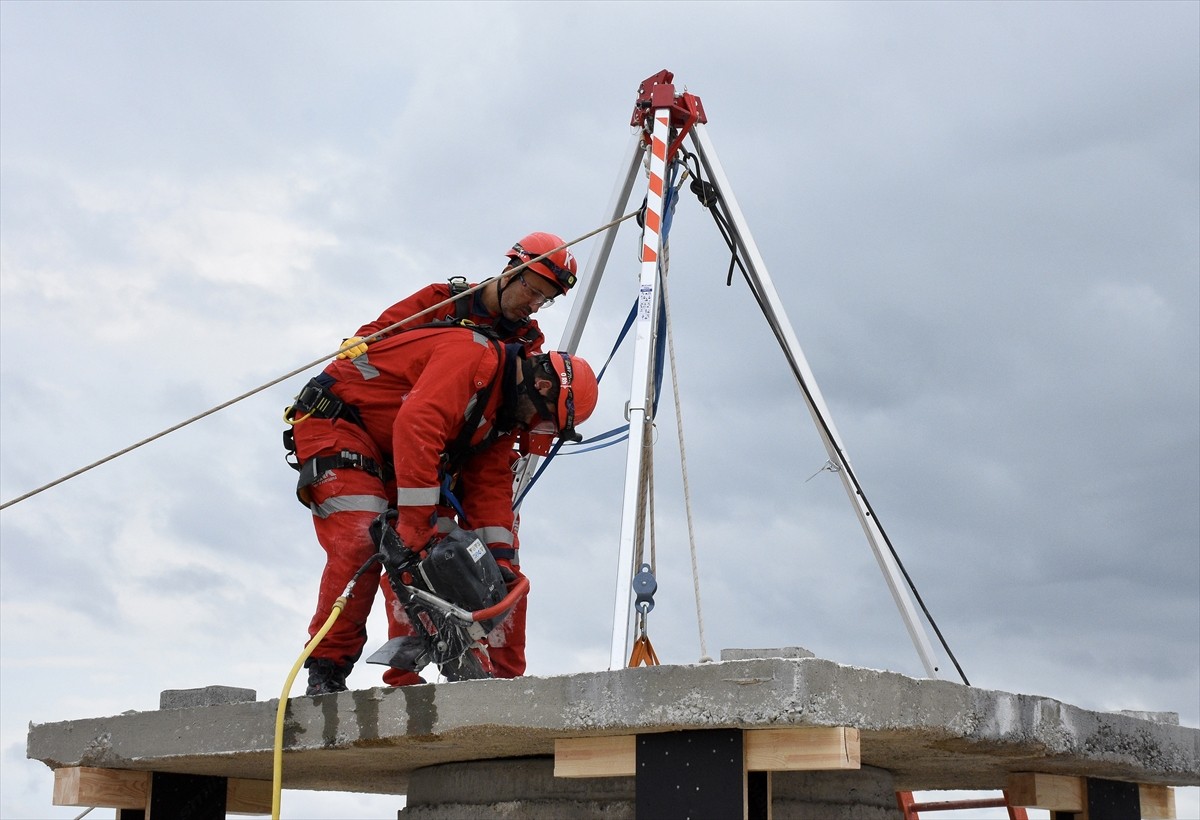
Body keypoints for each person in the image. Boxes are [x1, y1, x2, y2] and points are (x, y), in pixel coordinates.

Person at [286, 323, 598, 695]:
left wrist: (499, 564)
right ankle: (326, 669)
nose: (535, 428)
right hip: (339, 424)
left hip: (397, 456)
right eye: (544, 421)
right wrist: (415, 526)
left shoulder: (500, 419)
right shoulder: (473, 357)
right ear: (543, 388)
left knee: (452, 554)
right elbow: (418, 426)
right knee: (361, 542)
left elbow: (490, 491)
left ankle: (459, 682)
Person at [327, 231, 579, 688]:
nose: (534, 305)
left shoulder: (524, 351)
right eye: (532, 291)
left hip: (437, 447)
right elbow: (379, 343)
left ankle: (494, 678)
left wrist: (498, 557)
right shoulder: (443, 304)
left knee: (468, 554)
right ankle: (359, 671)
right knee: (378, 541)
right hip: (365, 426)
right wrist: (359, 343)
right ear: (510, 271)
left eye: (546, 299)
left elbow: (489, 467)